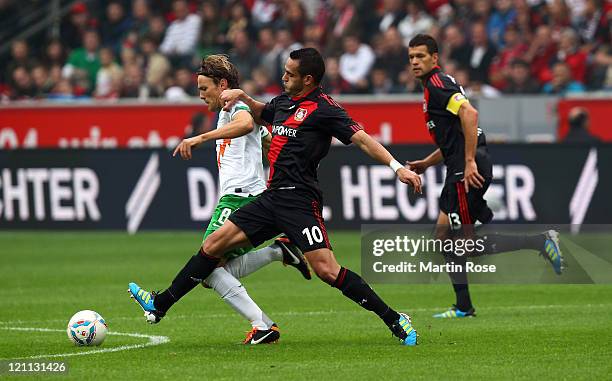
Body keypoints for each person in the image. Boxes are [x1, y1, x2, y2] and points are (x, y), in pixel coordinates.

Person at [129, 48, 422, 346]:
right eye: (284, 71)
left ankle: (394, 318)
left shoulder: (325, 109)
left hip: (300, 201)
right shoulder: (282, 103)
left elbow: (361, 139)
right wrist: (243, 96)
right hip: (270, 199)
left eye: (290, 74)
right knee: (212, 246)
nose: (283, 77)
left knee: (327, 271)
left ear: (308, 79)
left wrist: (397, 167)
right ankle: (161, 303)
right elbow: (260, 113)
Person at [129, 54, 311, 345]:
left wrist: (198, 139)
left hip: (240, 199)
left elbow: (246, 125)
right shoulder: (230, 110)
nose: (201, 95)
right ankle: (278, 256)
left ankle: (257, 323)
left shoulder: (235, 107)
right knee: (218, 268)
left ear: (222, 85)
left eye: (204, 89)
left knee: (208, 266)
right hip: (248, 197)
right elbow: (264, 138)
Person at [406, 34, 564, 319]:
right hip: (458, 167)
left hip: (466, 170)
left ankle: (539, 242)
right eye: (411, 57)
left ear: (435, 58)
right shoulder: (435, 87)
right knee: (443, 237)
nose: (415, 61)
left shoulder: (438, 85)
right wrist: (429, 163)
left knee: (460, 244)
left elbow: (470, 114)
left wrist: (468, 161)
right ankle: (464, 305)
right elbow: (454, 136)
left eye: (420, 56)